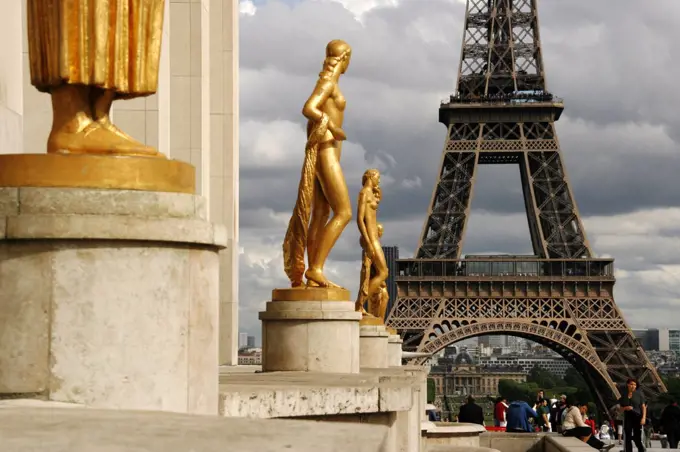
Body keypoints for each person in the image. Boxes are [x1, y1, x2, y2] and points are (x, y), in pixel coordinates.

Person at [283, 40, 353, 289]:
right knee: (344, 212)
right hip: (326, 151)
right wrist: (333, 127)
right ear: (344, 57)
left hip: (329, 150)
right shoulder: (328, 82)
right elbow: (309, 108)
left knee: (321, 214)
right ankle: (315, 268)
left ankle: (314, 273)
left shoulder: (330, 82)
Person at [619, 379, 647, 452]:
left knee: (637, 437)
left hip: (637, 417)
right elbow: (620, 408)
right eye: (631, 384)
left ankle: (641, 449)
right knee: (627, 437)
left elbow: (643, 407)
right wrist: (625, 408)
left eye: (634, 385)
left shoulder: (639, 394)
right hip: (628, 417)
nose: (633, 386)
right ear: (627, 384)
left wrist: (643, 418)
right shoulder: (624, 395)